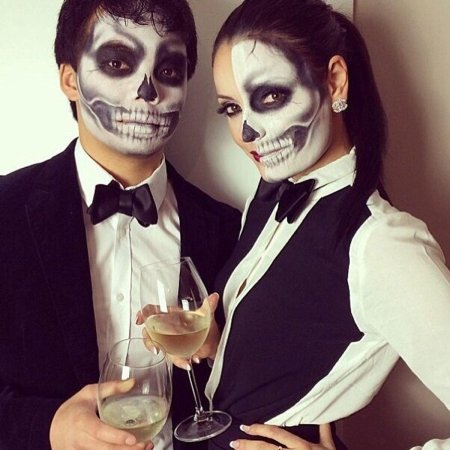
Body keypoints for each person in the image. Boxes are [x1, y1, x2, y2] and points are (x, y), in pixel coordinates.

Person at [196, 0, 450, 449]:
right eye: (231, 108)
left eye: (269, 97)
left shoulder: (383, 243)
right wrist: (217, 346)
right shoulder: (270, 194)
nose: (247, 133)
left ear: (334, 81)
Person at [0, 1, 240, 449]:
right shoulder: (5, 214)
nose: (147, 91)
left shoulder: (230, 230)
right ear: (69, 79)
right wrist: (48, 428)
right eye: (117, 63)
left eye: (168, 70)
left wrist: (218, 351)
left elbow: (264, 385)